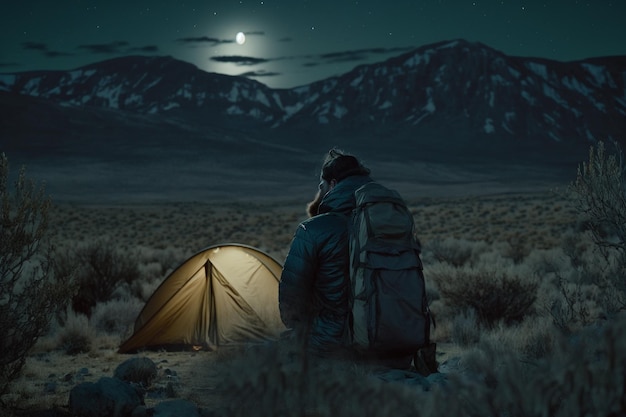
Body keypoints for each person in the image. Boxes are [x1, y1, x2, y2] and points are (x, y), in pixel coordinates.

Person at [279, 148, 372, 357]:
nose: (319, 192)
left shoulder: (314, 229)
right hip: (396, 340)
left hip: (332, 343)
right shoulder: (390, 223)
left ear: (333, 184)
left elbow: (291, 296)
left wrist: (299, 329)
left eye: (321, 186)